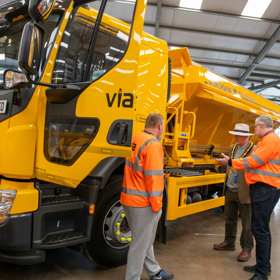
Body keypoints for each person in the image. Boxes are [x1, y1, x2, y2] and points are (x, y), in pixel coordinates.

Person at [217, 115, 280, 280]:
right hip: (263, 188)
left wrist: (231, 162)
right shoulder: (267, 140)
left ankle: (261, 274)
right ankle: (263, 266)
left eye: (255, 127)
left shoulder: (271, 140)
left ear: (261, 125)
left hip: (265, 189)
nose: (254, 129)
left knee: (260, 231)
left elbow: (254, 161)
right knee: (262, 230)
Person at [120, 113, 174, 280]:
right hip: (142, 204)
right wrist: (157, 205)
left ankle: (155, 272)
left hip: (127, 200)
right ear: (159, 126)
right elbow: (154, 178)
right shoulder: (154, 145)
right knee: (139, 245)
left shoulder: (136, 138)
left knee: (143, 240)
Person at [214, 124, 254, 262]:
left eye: (238, 134)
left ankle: (247, 248)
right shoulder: (232, 148)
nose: (235, 137)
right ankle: (229, 242)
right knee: (229, 218)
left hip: (244, 191)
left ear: (246, 136)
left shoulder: (253, 150)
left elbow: (249, 165)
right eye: (234, 134)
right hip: (230, 188)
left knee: (247, 223)